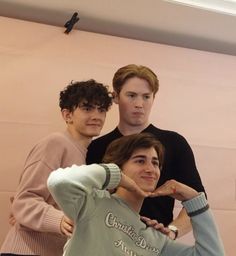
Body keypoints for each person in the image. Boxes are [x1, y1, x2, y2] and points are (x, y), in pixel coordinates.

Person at [48, 133, 225, 256]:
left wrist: (194, 199)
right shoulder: (92, 203)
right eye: (140, 161)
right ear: (119, 166)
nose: (151, 169)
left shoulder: (155, 238)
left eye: (155, 163)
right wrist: (116, 175)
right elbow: (58, 181)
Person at [86, 64, 206, 239]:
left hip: (156, 245)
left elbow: (197, 200)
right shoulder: (97, 147)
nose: (139, 104)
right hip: (107, 243)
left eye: (146, 97)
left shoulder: (174, 143)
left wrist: (170, 233)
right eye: (131, 96)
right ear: (116, 97)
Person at [0, 79, 113, 256]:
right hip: (27, 251)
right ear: (67, 115)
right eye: (87, 108)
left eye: (102, 110)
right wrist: (58, 219)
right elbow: (24, 201)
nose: (97, 116)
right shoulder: (56, 143)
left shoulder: (87, 156)